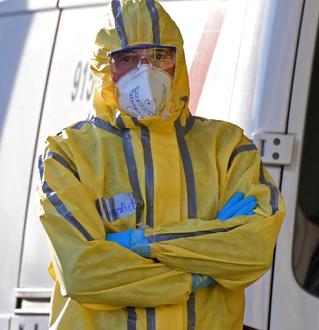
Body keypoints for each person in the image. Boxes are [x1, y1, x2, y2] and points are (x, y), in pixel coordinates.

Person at [36, 0, 285, 328]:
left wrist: (137, 244)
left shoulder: (229, 148)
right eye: (126, 59)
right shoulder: (68, 155)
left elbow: (253, 251)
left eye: (159, 56)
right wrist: (199, 273)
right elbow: (82, 274)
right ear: (103, 68)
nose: (146, 71)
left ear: (177, 62)